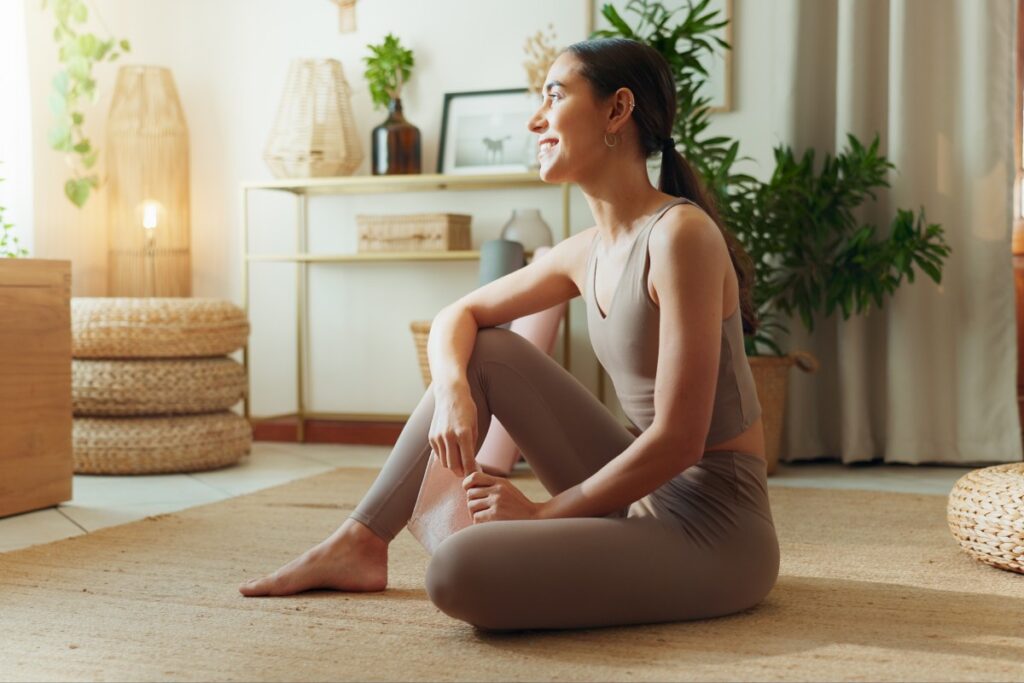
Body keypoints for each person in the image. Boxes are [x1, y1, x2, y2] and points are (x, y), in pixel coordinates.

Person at [239, 37, 780, 632]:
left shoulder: (681, 237)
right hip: (642, 491)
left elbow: (680, 442)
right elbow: (458, 316)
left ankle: (544, 540)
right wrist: (453, 395)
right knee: (489, 350)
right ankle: (359, 541)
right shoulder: (587, 252)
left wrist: (543, 514)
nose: (535, 118)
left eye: (554, 95)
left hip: (716, 527)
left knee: (456, 572)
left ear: (616, 110)